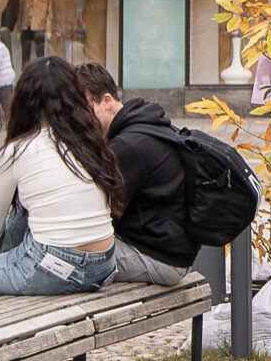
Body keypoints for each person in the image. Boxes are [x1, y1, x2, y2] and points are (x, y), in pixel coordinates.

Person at [0, 58, 120, 308]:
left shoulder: (17, 151)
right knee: (22, 218)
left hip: (53, 267)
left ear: (23, 100)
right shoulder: (90, 143)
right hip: (104, 264)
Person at [77, 64, 201, 285]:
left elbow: (101, 214)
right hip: (170, 250)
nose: (79, 120)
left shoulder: (127, 146)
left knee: (64, 257)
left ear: (107, 101)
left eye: (84, 109)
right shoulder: (142, 125)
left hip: (160, 259)